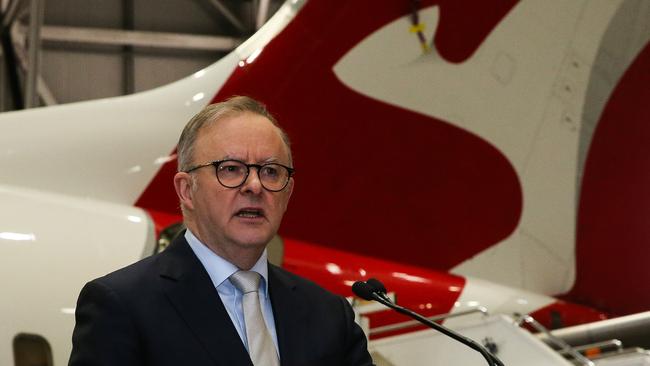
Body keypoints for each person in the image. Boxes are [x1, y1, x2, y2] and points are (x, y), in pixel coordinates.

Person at [68, 96, 374, 366]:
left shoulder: (330, 315)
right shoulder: (122, 305)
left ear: (288, 192)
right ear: (187, 190)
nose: (255, 186)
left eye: (270, 171)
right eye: (230, 169)